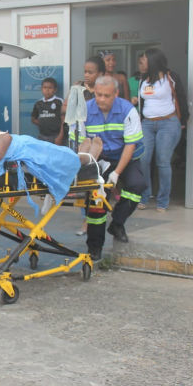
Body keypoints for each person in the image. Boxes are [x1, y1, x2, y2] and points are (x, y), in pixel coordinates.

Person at [69, 75, 145, 260]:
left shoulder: (128, 110)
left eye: (107, 96)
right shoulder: (84, 111)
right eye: (99, 95)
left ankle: (117, 222)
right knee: (96, 200)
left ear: (116, 94)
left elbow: (130, 145)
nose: (102, 99)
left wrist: (117, 173)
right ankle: (94, 248)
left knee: (137, 185)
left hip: (125, 156)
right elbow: (81, 146)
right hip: (99, 158)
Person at [137, 48, 188, 212]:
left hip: (168, 123)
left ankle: (162, 201)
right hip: (147, 124)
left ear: (152, 61)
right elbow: (142, 102)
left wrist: (183, 120)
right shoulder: (143, 79)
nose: (141, 63)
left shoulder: (170, 77)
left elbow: (181, 97)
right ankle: (145, 196)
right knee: (143, 159)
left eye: (143, 60)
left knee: (163, 161)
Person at [65, 56, 106, 236]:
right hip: (76, 138)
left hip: (93, 141)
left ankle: (89, 221)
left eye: (91, 72)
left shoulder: (104, 92)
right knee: (82, 180)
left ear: (101, 74)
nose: (87, 75)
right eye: (85, 71)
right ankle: (86, 218)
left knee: (92, 180)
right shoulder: (78, 89)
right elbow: (65, 110)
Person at [31, 77, 66, 146]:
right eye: (45, 87)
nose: (47, 90)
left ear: (55, 90)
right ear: (41, 89)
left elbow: (64, 121)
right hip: (42, 136)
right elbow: (33, 119)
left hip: (56, 136)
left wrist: (60, 136)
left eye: (50, 88)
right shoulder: (38, 103)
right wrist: (43, 123)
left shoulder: (59, 102)